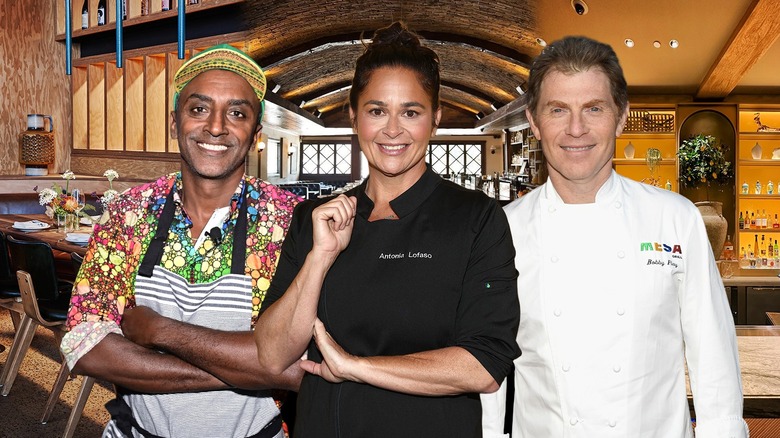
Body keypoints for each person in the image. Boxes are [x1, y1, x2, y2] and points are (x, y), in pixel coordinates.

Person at [254, 22, 520, 437]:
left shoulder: (476, 218)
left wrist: (355, 368)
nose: (392, 130)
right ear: (354, 116)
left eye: (410, 112)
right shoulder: (313, 217)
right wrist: (320, 257)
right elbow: (271, 356)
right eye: (377, 111)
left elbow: (485, 365)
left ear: (434, 120)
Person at [481, 36, 748, 437]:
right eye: (558, 110)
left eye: (594, 108)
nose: (576, 129)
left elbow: (712, 355)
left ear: (621, 116)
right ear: (534, 122)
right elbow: (489, 368)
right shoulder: (503, 231)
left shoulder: (675, 219)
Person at [60, 44, 304, 438]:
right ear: (175, 123)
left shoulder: (290, 222)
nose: (216, 126)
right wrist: (247, 369)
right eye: (198, 109)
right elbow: (86, 344)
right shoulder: (128, 213)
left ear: (255, 134)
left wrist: (157, 331)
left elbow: (302, 364)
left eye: (237, 113)